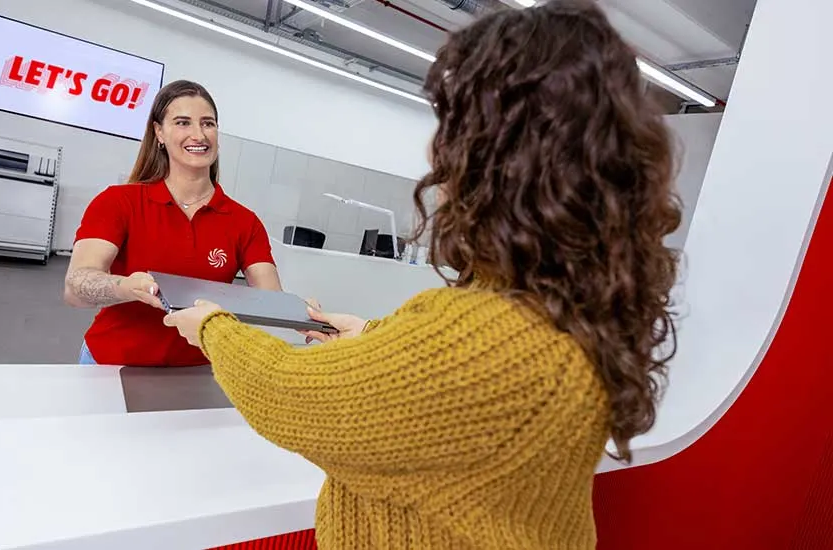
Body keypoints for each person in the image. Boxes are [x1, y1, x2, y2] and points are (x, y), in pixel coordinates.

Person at [165, 1, 682, 548]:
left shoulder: (488, 341)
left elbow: (289, 394)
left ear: (495, 155)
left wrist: (214, 328)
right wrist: (369, 334)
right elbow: (445, 378)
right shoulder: (573, 305)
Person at [64, 80, 282, 367]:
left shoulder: (245, 222)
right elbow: (76, 287)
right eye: (182, 122)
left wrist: (300, 313)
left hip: (198, 372)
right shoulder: (119, 202)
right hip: (112, 364)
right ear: (159, 133)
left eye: (208, 123)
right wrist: (126, 287)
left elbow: (271, 301)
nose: (198, 134)